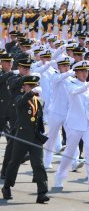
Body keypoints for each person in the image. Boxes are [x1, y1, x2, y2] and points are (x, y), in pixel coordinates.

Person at [54, 61, 89, 191]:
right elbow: (75, 93)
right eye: (81, 71)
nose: (84, 73)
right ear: (76, 73)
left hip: (88, 123)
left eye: (86, 71)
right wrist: (87, 87)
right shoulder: (70, 84)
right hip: (74, 123)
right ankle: (59, 177)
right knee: (70, 152)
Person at [2, 74, 49, 204]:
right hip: (22, 137)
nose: (34, 88)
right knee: (14, 163)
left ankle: (42, 193)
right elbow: (19, 104)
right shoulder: (19, 98)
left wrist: (41, 134)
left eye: (35, 85)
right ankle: (6, 187)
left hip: (35, 138)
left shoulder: (40, 101)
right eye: (31, 86)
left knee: (38, 164)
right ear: (24, 87)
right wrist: (30, 94)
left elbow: (38, 120)